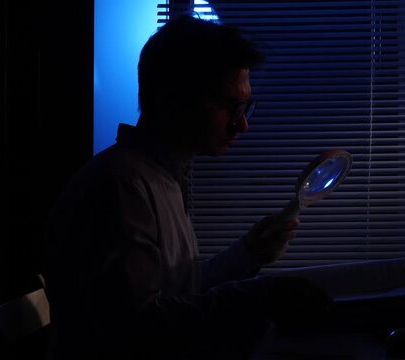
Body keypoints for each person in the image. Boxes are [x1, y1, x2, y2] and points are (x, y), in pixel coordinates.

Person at [43, 15, 331, 360]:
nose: (242, 125)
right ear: (172, 99)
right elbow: (137, 327)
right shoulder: (121, 187)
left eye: (246, 107)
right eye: (231, 106)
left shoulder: (158, 178)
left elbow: (175, 291)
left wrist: (248, 255)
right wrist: (263, 296)